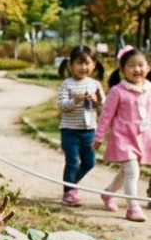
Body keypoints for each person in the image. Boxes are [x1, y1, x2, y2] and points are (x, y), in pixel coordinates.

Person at [95, 45, 151, 222]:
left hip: (141, 138)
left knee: (126, 172)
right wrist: (99, 137)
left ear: (148, 67)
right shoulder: (117, 91)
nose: (137, 69)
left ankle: (108, 193)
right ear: (122, 69)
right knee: (132, 172)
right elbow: (106, 116)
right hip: (123, 138)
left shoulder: (149, 88)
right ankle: (133, 208)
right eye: (131, 65)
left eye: (141, 65)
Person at [56, 45, 105, 206]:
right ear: (71, 65)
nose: (83, 67)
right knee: (72, 162)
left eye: (87, 63)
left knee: (90, 162)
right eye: (79, 63)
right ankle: (68, 193)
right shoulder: (67, 84)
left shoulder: (95, 84)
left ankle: (72, 183)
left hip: (89, 131)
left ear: (94, 65)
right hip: (69, 131)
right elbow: (61, 106)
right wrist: (75, 100)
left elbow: (104, 105)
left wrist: (96, 101)